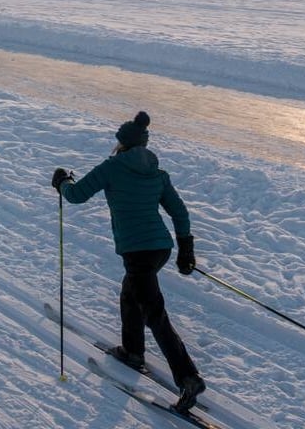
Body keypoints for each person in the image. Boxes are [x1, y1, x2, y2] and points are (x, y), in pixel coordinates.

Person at [51, 111, 206, 412]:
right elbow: (180, 212)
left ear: (121, 144)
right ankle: (133, 351)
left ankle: (188, 377)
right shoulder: (158, 173)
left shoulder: (112, 168)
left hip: (137, 251)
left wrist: (62, 183)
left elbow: (77, 195)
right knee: (130, 294)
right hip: (160, 248)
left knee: (154, 313)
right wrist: (186, 249)